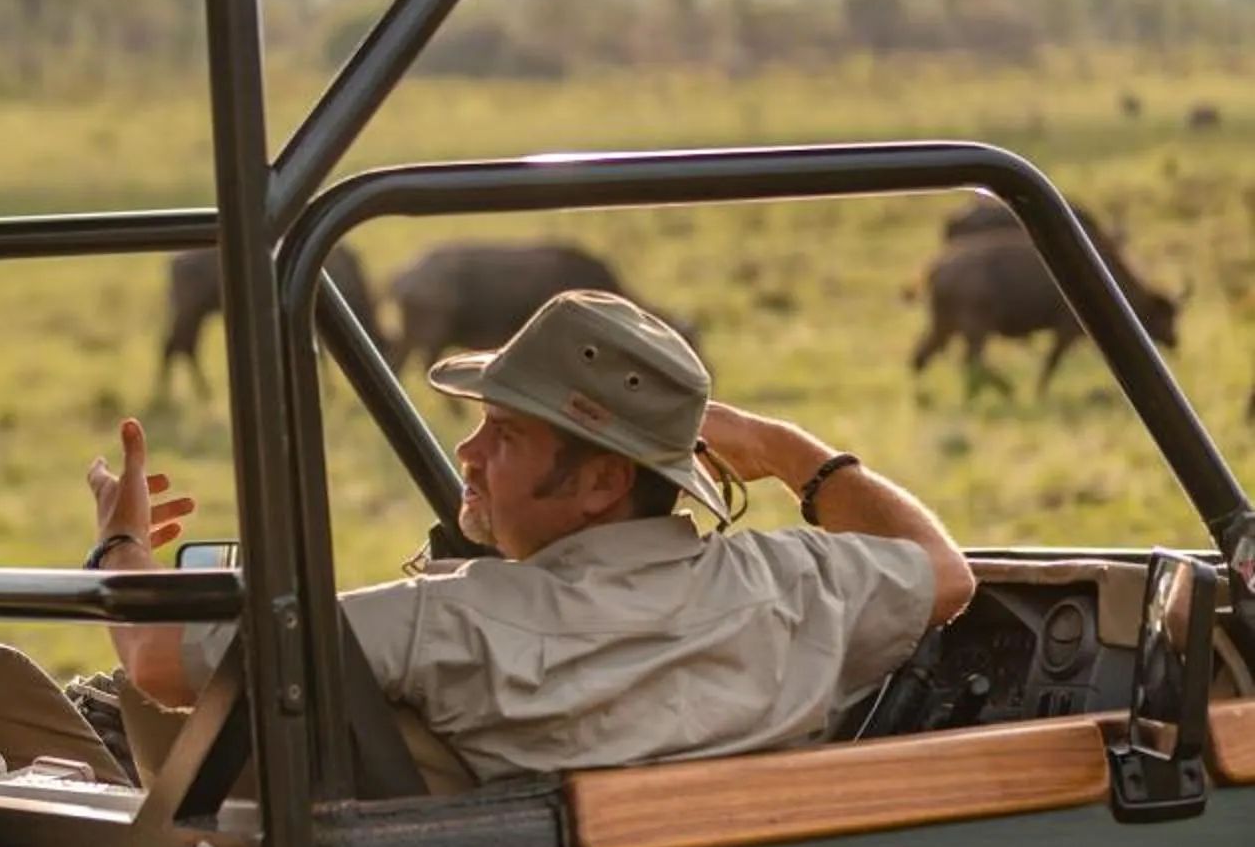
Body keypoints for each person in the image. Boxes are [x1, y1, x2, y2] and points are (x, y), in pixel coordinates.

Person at [92, 290, 978, 784]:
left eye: (505, 438)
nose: (468, 454)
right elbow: (946, 574)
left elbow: (158, 664)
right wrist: (791, 454)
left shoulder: (449, 623)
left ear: (601, 482)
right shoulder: (790, 585)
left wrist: (120, 545)